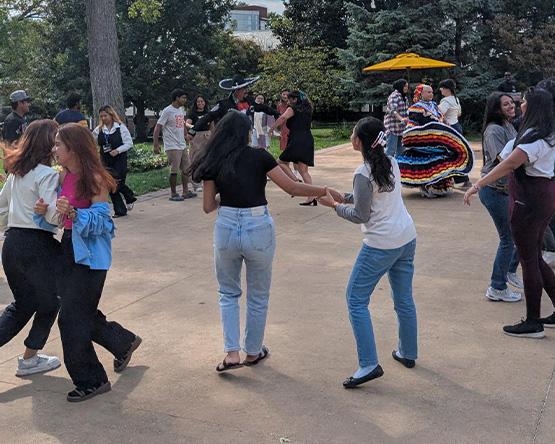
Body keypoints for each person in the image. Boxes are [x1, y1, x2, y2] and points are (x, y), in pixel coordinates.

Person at [189, 111, 341, 372]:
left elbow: (207, 206)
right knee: (258, 295)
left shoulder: (213, 160)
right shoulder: (260, 156)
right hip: (257, 225)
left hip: (225, 226)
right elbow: (291, 188)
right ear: (246, 133)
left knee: (228, 293)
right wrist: (324, 191)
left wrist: (225, 198)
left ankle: (232, 354)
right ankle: (252, 352)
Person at [34, 123, 142, 402]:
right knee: (81, 311)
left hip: (92, 257)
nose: (53, 149)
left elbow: (104, 223)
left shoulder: (93, 178)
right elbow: (59, 217)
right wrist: (45, 212)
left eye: (58, 144)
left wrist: (74, 213)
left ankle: (92, 380)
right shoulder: (63, 177)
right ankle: (123, 341)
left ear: (74, 148)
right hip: (69, 248)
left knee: (70, 317)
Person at [317, 117, 418, 388]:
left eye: (353, 133)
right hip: (406, 239)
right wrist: (345, 196)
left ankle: (369, 364)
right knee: (404, 300)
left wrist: (333, 206)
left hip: (381, 245)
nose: (351, 136)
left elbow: (362, 215)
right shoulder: (391, 162)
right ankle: (408, 353)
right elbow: (376, 196)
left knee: (355, 299)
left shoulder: (363, 172)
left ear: (360, 141)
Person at [464, 87, 555, 338]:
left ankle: (533, 322)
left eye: (522, 102)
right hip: (543, 196)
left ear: (532, 106)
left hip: (529, 200)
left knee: (528, 261)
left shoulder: (534, 138)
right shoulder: (545, 133)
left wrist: (477, 185)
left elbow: (509, 164)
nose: (519, 105)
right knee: (534, 256)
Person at [0, 120, 62, 377]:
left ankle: (30, 358)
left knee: (24, 304)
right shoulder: (47, 175)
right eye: (56, 141)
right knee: (51, 301)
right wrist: (66, 211)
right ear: (47, 144)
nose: (59, 146)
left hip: (12, 243)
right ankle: (29, 358)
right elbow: (50, 216)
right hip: (37, 245)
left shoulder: (17, 173)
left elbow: (1, 208)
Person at [478, 92, 522, 302]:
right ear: (496, 108)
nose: (511, 105)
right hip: (493, 189)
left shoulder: (508, 126)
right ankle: (497, 286)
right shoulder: (494, 130)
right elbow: (503, 160)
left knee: (518, 235)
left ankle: (510, 272)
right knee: (508, 238)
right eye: (505, 104)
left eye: (511, 102)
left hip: (505, 189)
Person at [398, 84, 474, 198]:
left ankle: (439, 186)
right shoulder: (416, 108)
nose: (431, 94)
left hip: (438, 141)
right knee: (427, 163)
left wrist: (444, 122)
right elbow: (415, 124)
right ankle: (426, 185)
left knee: (442, 161)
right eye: (428, 92)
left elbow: (439, 118)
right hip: (424, 142)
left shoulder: (434, 105)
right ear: (421, 94)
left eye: (432, 92)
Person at [187, 74, 280, 139]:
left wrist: (277, 114)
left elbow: (264, 108)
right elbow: (208, 116)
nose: (246, 91)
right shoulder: (224, 104)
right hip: (228, 139)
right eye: (244, 88)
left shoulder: (250, 101)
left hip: (244, 138)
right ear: (236, 90)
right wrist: (193, 130)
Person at [269, 91, 316, 206]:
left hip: (297, 140)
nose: (288, 102)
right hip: (308, 139)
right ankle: (312, 196)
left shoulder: (293, 109)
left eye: (290, 99)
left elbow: (283, 117)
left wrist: (272, 128)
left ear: (295, 99)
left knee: (280, 162)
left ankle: (295, 181)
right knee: (303, 170)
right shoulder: (308, 109)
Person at [92, 105, 136, 218]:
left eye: (105, 116)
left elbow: (129, 143)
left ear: (111, 115)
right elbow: (91, 140)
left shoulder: (120, 128)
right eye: (101, 116)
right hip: (105, 160)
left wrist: (118, 150)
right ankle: (120, 209)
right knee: (110, 184)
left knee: (118, 182)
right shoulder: (99, 130)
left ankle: (129, 195)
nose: (103, 118)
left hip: (119, 160)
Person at [154, 89, 196, 201]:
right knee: (174, 171)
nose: (185, 100)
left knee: (186, 169)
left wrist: (187, 137)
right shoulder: (167, 111)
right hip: (172, 146)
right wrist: (156, 144)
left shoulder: (180, 110)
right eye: (183, 98)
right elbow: (158, 127)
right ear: (177, 98)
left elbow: (181, 125)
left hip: (181, 145)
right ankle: (173, 193)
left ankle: (185, 191)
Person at [438, 79, 471, 190]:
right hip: (456, 126)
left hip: (450, 128)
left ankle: (463, 179)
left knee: (452, 155)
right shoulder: (455, 99)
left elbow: (438, 114)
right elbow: (459, 113)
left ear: (447, 89)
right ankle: (454, 179)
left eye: (442, 87)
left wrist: (444, 120)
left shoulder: (446, 101)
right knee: (457, 153)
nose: (441, 90)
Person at [186, 95, 211, 192]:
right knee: (196, 159)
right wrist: (193, 126)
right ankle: (196, 184)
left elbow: (212, 126)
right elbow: (187, 123)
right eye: (198, 102)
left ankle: (206, 182)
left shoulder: (208, 113)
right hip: (196, 136)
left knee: (207, 159)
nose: (200, 103)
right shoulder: (193, 114)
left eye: (202, 101)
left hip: (207, 136)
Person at [384, 79, 409, 158]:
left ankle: (397, 167)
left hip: (402, 128)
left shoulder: (404, 97)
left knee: (401, 150)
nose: (406, 88)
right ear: (400, 86)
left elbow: (407, 111)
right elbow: (393, 110)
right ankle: (384, 166)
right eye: (405, 86)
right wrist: (401, 118)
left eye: (407, 86)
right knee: (391, 149)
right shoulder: (394, 96)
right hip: (393, 127)